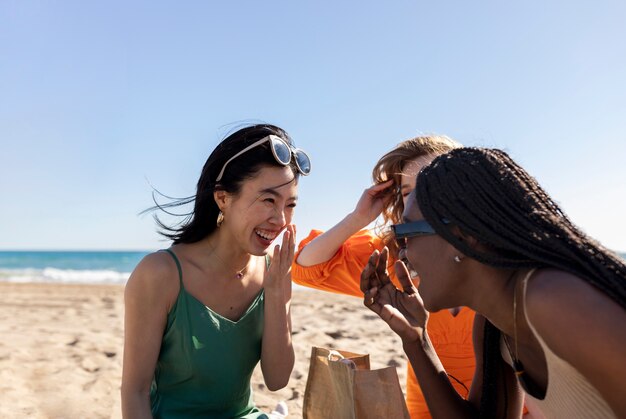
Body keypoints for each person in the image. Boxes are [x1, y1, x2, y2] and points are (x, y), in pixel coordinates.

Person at [361, 147, 626, 418]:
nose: (404, 252)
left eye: (407, 232)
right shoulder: (496, 325)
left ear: (462, 237)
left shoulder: (556, 299)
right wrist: (417, 340)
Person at [121, 124, 311, 418]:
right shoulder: (160, 274)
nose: (280, 220)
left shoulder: (273, 270)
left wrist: (277, 294)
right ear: (223, 198)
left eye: (290, 205)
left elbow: (277, 379)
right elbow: (135, 392)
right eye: (269, 200)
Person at [293, 135, 477, 418]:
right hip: (426, 412)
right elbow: (306, 268)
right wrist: (358, 218)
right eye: (407, 192)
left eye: (430, 184)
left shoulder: (493, 254)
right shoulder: (394, 259)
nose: (420, 199)